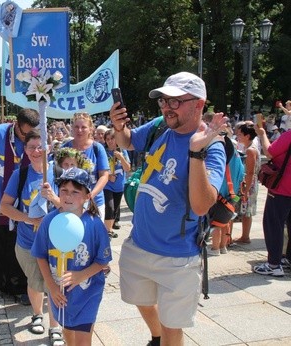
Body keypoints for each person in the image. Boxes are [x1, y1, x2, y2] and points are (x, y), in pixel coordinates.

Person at [110, 72, 227, 346]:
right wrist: (118, 127)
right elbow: (127, 141)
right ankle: (156, 335)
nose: (166, 107)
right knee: (139, 300)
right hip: (139, 244)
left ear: (199, 104)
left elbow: (200, 206)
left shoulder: (213, 147)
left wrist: (196, 153)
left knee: (174, 327)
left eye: (176, 102)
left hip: (178, 257)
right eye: (164, 100)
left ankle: (163, 335)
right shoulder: (160, 126)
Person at [32, 167, 112, 346]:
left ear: (87, 196)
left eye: (75, 192)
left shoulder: (94, 224)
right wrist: (51, 287)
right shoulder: (49, 221)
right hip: (60, 292)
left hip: (88, 292)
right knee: (67, 331)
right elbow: (40, 255)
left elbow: (103, 260)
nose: (68, 196)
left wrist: (81, 275)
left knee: (83, 339)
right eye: (64, 191)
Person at [0, 129, 63, 344]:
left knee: (55, 282)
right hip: (28, 241)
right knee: (35, 281)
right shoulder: (20, 175)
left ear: (49, 148)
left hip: (57, 241)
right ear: (25, 150)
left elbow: (76, 207)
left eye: (40, 146)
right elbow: (4, 207)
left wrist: (54, 198)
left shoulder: (60, 172)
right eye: (32, 147)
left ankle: (55, 326)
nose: (36, 151)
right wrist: (27, 219)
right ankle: (37, 315)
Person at [0, 108, 39, 296]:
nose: (26, 137)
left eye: (30, 134)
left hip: (25, 204)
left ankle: (20, 285)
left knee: (18, 245)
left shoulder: (35, 139)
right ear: (15, 124)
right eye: (23, 133)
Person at [252, 123, 291, 276]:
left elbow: (269, 152)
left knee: (273, 223)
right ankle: (288, 259)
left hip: (283, 186)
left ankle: (274, 264)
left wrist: (262, 134)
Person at [63, 112, 110, 221]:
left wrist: (90, 195)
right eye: (76, 127)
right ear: (72, 128)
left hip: (94, 203)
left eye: (83, 127)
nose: (79, 130)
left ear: (90, 129)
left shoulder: (97, 148)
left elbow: (104, 176)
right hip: (70, 203)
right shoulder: (64, 148)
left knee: (93, 236)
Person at [233, 123, 261, 244]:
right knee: (246, 211)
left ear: (247, 136)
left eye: (240, 134)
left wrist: (245, 190)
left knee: (246, 210)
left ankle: (245, 236)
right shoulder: (248, 148)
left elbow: (250, 172)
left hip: (248, 183)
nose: (237, 136)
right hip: (249, 182)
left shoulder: (250, 150)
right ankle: (245, 236)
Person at [103, 129, 131, 236]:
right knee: (109, 207)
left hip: (119, 186)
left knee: (115, 209)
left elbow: (128, 169)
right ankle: (108, 231)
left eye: (112, 138)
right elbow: (98, 169)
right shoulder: (104, 152)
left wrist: (121, 158)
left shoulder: (122, 151)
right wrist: (109, 176)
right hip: (107, 185)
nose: (110, 141)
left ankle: (109, 226)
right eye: (108, 139)